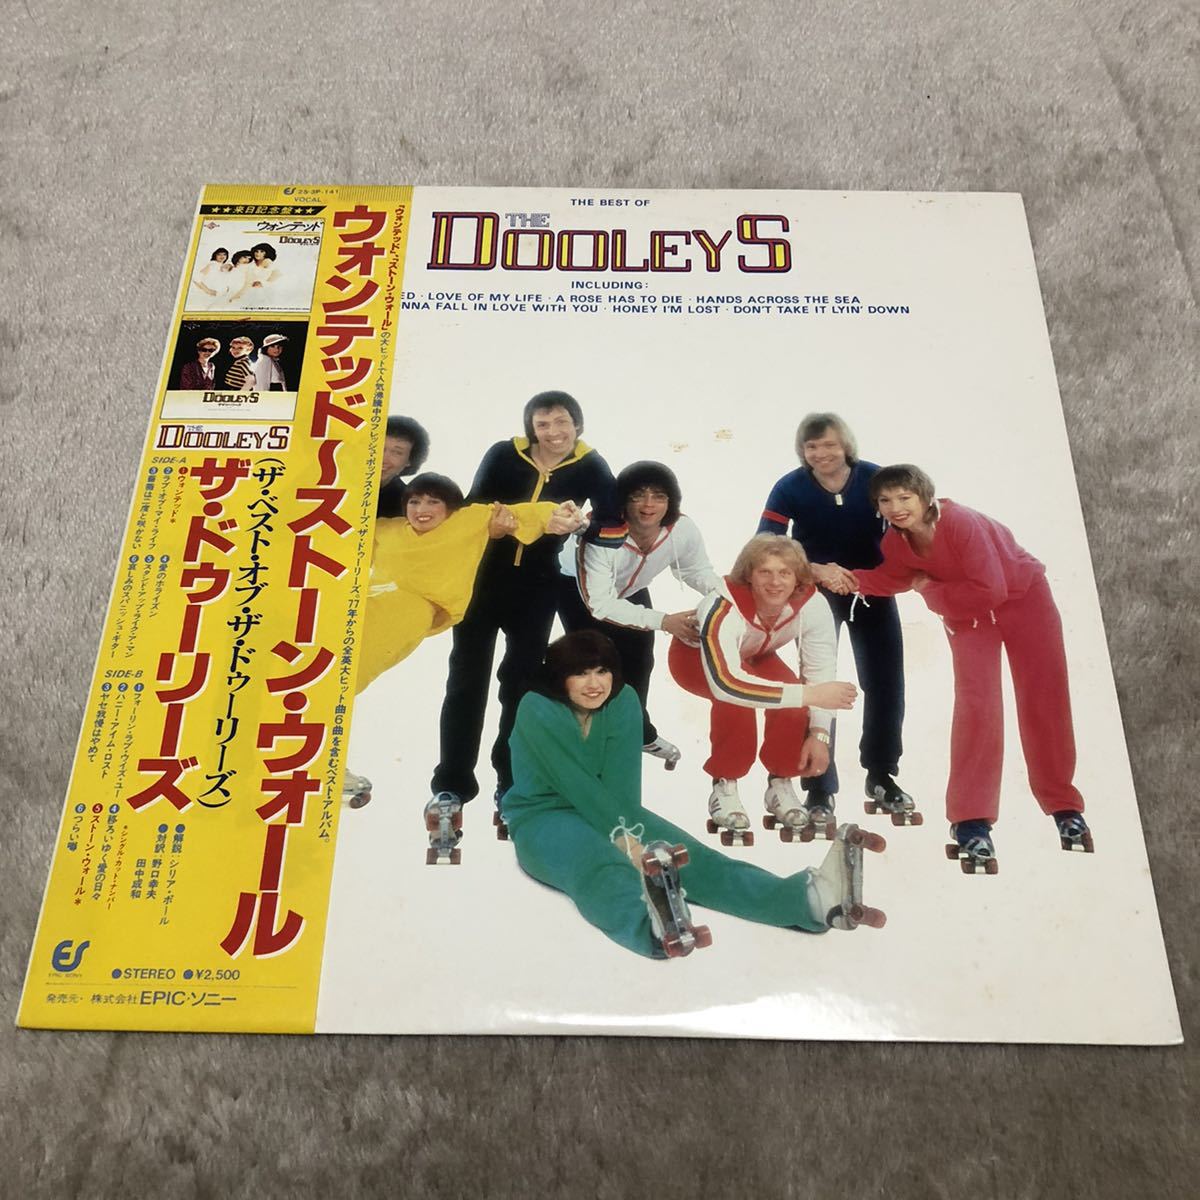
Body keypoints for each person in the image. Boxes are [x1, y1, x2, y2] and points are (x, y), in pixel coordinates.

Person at [502, 631, 885, 959]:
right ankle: (654, 928)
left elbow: (622, 788)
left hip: (614, 809)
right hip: (544, 817)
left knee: (695, 858)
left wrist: (632, 835)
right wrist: (625, 841)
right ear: (559, 677)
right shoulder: (537, 708)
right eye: (580, 673)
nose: (594, 683)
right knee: (598, 863)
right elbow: (576, 784)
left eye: (602, 671)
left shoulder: (622, 701)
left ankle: (808, 900)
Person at [834, 465, 1091, 868]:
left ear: (925, 497)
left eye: (904, 497)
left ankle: (1065, 808)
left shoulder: (960, 523)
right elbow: (894, 578)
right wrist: (847, 579)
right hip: (967, 616)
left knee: (1044, 699)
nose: (896, 507)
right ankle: (971, 821)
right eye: (885, 500)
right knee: (977, 707)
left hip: (1024, 600)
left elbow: (992, 589)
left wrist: (931, 591)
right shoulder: (896, 541)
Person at [342, 473, 585, 806]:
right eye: (414, 501)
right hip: (365, 602)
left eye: (433, 502)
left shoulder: (468, 521)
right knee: (325, 660)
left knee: (347, 675)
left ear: (450, 508)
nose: (422, 509)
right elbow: (343, 539)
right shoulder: (389, 529)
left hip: (411, 609)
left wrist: (558, 514)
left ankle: (323, 760)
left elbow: (525, 512)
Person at [429, 390, 615, 810]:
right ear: (530, 428)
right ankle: (452, 785)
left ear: (577, 424)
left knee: (522, 684)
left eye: (561, 422)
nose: (553, 432)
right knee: (465, 679)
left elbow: (610, 520)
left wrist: (580, 525)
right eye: (542, 424)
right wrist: (497, 525)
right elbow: (473, 506)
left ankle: (511, 779)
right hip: (482, 580)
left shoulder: (591, 464)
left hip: (538, 587)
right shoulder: (503, 454)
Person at [758, 413, 913, 827]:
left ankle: (881, 775)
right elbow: (765, 544)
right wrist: (816, 569)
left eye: (829, 445)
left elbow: (907, 528)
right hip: (815, 592)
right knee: (817, 684)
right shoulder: (789, 487)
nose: (821, 454)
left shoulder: (874, 478)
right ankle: (818, 788)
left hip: (871, 590)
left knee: (885, 681)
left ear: (846, 445)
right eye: (811, 447)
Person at [667, 534, 857, 842]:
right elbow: (727, 683)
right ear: (749, 576)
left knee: (792, 692)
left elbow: (820, 671)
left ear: (798, 578)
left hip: (755, 652)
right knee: (739, 701)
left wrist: (820, 733)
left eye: (785, 573)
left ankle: (780, 784)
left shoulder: (812, 603)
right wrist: (809, 695)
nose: (775, 582)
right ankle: (725, 785)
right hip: (695, 658)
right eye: (764, 572)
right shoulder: (723, 605)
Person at [559, 460, 722, 770]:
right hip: (576, 587)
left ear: (671, 501)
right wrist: (665, 621)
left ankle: (637, 731)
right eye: (638, 496)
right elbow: (600, 604)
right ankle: (589, 742)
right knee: (594, 662)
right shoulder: (599, 531)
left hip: (628, 588)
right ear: (622, 499)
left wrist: (724, 595)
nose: (649, 505)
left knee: (641, 658)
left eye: (659, 496)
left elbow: (695, 569)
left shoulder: (682, 529)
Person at [376, 415, 431, 518]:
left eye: (397, 452)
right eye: (379, 448)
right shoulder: (343, 478)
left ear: (409, 461)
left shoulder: (408, 503)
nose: (383, 459)